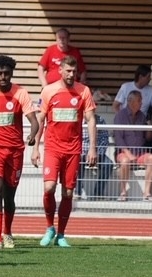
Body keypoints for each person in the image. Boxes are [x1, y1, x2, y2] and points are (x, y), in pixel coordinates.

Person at [31, 55, 97, 248]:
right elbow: (41, 119)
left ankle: (61, 234)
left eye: (74, 71)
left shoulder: (83, 91)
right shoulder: (49, 91)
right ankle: (49, 227)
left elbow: (91, 119)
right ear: (60, 70)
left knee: (68, 192)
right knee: (49, 187)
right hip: (53, 148)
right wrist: (35, 147)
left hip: (73, 149)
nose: (71, 74)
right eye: (68, 71)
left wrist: (92, 148)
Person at [0, 55, 38, 251]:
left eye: (6, 73)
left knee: (9, 196)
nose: (3, 77)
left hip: (14, 152)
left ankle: (7, 233)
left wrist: (32, 135)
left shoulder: (21, 93)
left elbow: (34, 121)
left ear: (11, 73)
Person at [113, 90, 152, 201]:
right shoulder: (120, 116)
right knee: (125, 161)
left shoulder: (142, 116)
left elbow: (148, 138)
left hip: (139, 153)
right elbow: (118, 139)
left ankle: (147, 193)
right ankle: (123, 192)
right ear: (131, 102)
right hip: (123, 153)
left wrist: (149, 127)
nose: (141, 103)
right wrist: (128, 154)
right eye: (139, 100)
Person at [77, 113, 112, 200]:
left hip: (97, 153)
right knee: (77, 162)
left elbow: (104, 139)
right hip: (81, 152)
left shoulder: (100, 120)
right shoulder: (77, 119)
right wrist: (84, 153)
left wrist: (98, 153)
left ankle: (98, 193)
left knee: (108, 164)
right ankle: (77, 192)